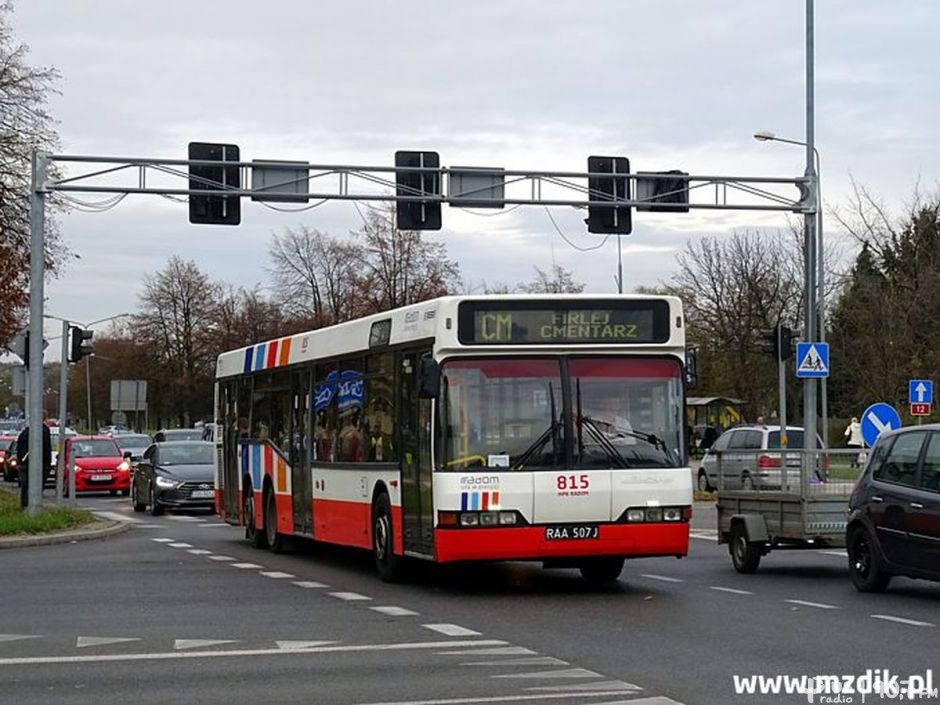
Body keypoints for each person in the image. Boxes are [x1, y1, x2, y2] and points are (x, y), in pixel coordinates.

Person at [15, 410, 53, 508]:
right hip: (41, 464)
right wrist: (48, 464)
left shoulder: (25, 432)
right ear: (44, 418)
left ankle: (25, 506)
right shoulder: (44, 431)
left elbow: (18, 448)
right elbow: (47, 448)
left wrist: (19, 462)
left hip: (24, 463)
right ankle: (35, 506)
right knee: (38, 486)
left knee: (25, 486)